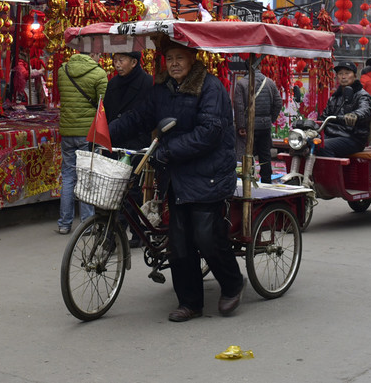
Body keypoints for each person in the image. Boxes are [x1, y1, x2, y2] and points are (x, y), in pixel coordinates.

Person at [109, 40, 245, 322]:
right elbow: (140, 117)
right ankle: (190, 302)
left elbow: (210, 132)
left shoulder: (210, 87)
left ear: (193, 58)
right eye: (169, 58)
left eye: (179, 58)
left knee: (207, 237)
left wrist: (168, 150)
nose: (174, 64)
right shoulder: (162, 89)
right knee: (179, 242)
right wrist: (105, 133)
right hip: (176, 174)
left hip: (209, 173)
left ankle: (233, 284)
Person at [103, 50, 152, 247]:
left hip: (136, 143)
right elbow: (107, 112)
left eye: (121, 60)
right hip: (116, 143)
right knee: (117, 189)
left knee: (132, 190)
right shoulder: (113, 83)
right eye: (115, 60)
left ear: (133, 62)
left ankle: (125, 234)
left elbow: (146, 116)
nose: (117, 64)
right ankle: (130, 232)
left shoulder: (147, 83)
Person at [55, 51, 107, 235]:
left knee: (68, 176)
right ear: (93, 53)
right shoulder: (99, 73)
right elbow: (103, 103)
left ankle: (64, 223)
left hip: (67, 131)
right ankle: (87, 223)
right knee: (86, 177)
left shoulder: (63, 70)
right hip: (87, 132)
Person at [230, 61, 280, 183]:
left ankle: (248, 180)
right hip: (265, 125)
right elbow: (278, 102)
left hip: (248, 125)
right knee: (265, 154)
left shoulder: (242, 83)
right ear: (260, 66)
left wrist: (241, 126)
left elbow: (239, 106)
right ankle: (267, 181)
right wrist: (271, 118)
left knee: (248, 154)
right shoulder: (269, 82)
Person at [316, 61, 371, 157]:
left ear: (355, 76)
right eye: (340, 74)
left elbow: (365, 110)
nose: (343, 77)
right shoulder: (334, 97)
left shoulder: (362, 95)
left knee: (322, 146)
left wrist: (355, 115)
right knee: (303, 143)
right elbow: (323, 118)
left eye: (347, 73)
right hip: (331, 135)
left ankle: (332, 167)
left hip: (352, 137)